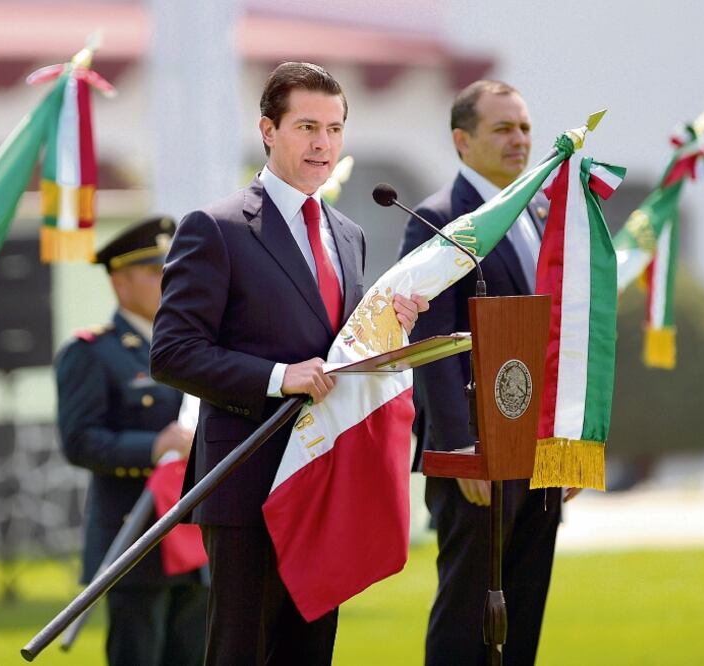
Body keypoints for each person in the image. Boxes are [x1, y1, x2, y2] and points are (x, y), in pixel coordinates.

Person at [150, 62, 427, 665]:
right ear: (268, 130)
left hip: (324, 479)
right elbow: (172, 353)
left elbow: (339, 353)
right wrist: (278, 379)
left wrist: (388, 330)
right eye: (306, 126)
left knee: (308, 655)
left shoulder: (347, 233)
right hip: (247, 481)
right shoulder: (216, 228)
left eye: (333, 128)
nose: (322, 142)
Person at [397, 80, 575, 665]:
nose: (520, 139)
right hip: (475, 453)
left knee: (525, 608)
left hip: (539, 451)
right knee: (469, 609)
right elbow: (432, 338)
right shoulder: (441, 218)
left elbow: (556, 338)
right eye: (502, 128)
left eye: (524, 126)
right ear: (462, 140)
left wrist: (568, 442)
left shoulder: (542, 211)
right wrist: (459, 444)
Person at [56, 215, 207, 666]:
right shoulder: (91, 353)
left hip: (193, 535)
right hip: (134, 538)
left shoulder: (188, 347)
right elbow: (79, 441)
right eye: (156, 272)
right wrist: (152, 447)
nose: (169, 281)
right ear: (120, 283)